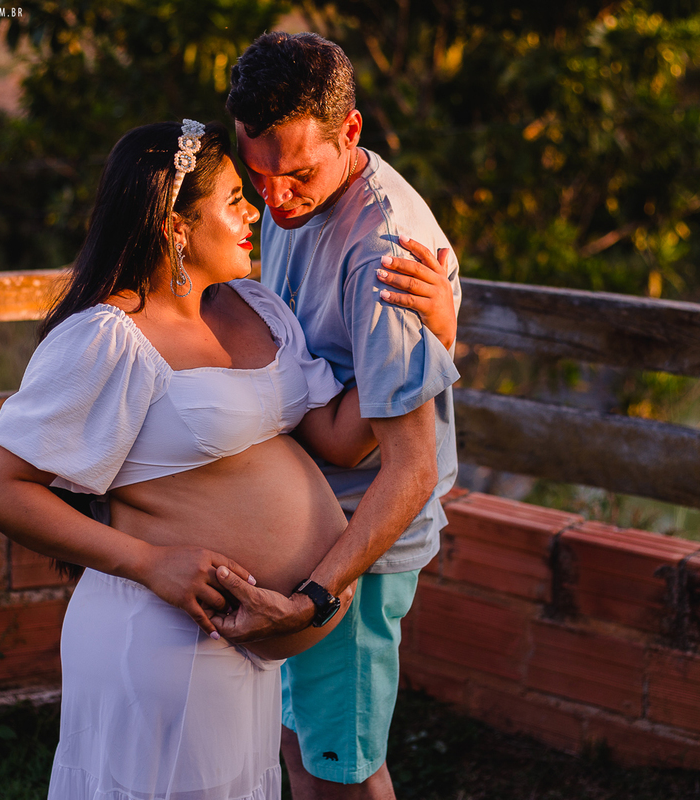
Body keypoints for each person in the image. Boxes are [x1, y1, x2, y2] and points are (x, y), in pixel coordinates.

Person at [0, 119, 454, 800]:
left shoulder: (253, 308)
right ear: (175, 226)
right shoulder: (108, 337)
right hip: (161, 630)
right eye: (233, 198)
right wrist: (147, 562)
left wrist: (428, 335)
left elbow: (343, 438)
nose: (257, 211)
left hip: (244, 644)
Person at [214, 32, 462, 800]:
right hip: (315, 526)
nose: (275, 200)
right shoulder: (296, 206)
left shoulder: (382, 250)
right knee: (302, 749)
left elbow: (410, 466)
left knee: (344, 777)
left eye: (296, 175)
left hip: (353, 554)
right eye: (258, 177)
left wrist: (315, 595)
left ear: (350, 131)